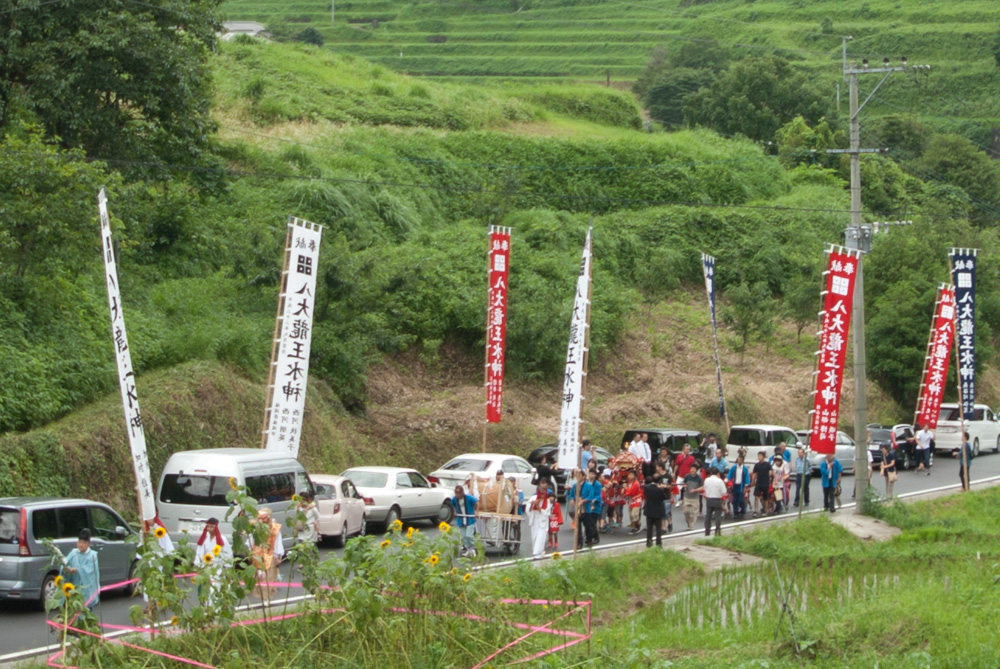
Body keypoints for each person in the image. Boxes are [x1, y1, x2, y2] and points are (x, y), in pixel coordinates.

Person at [62, 529, 100, 610]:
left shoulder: (92, 556)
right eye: (80, 542)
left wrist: (77, 570)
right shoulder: (73, 553)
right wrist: (65, 568)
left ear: (88, 544)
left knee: (86, 610)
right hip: (74, 587)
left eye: (84, 543)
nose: (81, 545)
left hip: (86, 588)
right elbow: (66, 562)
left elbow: (90, 570)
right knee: (73, 609)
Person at [251, 507, 285, 600]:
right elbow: (250, 541)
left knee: (268, 578)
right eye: (260, 518)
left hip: (270, 556)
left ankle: (267, 598)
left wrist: (279, 557)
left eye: (264, 518)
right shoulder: (255, 528)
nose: (262, 521)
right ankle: (263, 597)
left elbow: (278, 543)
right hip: (257, 556)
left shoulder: (274, 528)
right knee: (259, 577)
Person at [195, 517, 231, 604]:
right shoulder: (204, 538)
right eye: (208, 527)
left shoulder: (222, 539)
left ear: (216, 527)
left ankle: (214, 610)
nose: (209, 529)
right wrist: (198, 565)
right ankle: (204, 610)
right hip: (205, 567)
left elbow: (227, 554)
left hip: (217, 568)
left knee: (214, 590)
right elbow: (199, 551)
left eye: (211, 527)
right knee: (204, 590)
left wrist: (226, 569)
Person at [695, 467, 727, 536]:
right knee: (717, 516)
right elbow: (724, 491)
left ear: (711, 473)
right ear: (718, 473)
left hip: (709, 499)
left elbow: (705, 489)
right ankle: (717, 530)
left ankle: (707, 530)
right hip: (717, 499)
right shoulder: (720, 481)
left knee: (708, 515)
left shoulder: (707, 480)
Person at [450, 485, 478, 557]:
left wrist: (476, 512)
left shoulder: (469, 498)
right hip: (461, 519)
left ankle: (473, 547)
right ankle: (468, 549)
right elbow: (453, 505)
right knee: (464, 536)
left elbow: (476, 502)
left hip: (470, 519)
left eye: (458, 493)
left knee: (469, 535)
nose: (457, 494)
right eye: (456, 493)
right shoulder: (454, 499)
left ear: (462, 492)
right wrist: (455, 511)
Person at [577, 469, 603, 548]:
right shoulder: (586, 483)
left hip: (595, 505)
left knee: (592, 523)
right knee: (589, 523)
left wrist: (595, 499)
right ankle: (590, 538)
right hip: (586, 506)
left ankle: (595, 537)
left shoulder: (597, 484)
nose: (591, 475)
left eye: (593, 474)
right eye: (590, 474)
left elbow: (599, 494)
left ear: (595, 475)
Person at [526, 487, 553, 559]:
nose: (542, 496)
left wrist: (538, 507)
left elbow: (547, 513)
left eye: (544, 494)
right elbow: (528, 510)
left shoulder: (547, 501)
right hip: (535, 520)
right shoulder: (533, 498)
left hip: (542, 521)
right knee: (534, 536)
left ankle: (537, 552)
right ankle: (539, 552)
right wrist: (532, 505)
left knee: (540, 537)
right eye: (540, 494)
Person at [642, 476, 669, 547]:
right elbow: (664, 497)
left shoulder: (646, 488)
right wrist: (663, 488)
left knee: (649, 528)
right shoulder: (659, 489)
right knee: (658, 529)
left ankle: (649, 543)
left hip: (649, 510)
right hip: (658, 511)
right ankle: (658, 543)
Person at [750, 451, 772, 518]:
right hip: (758, 482)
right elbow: (754, 473)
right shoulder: (757, 465)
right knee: (756, 496)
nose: (759, 457)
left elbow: (771, 472)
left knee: (765, 498)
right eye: (758, 456)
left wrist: (771, 479)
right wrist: (753, 481)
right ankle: (755, 511)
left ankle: (765, 510)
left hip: (765, 482)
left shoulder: (767, 464)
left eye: (760, 456)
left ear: (763, 457)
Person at [727, 455, 750, 519]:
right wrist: (727, 479)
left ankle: (743, 509)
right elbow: (730, 474)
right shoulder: (734, 467)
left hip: (741, 485)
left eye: (740, 459)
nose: (739, 461)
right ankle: (735, 512)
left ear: (742, 460)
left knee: (741, 499)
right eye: (738, 459)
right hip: (735, 485)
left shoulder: (744, 468)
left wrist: (745, 486)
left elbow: (746, 477)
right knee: (735, 500)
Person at [681, 464, 702, 530]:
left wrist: (695, 490)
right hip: (687, 496)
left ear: (696, 470)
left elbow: (702, 487)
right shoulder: (687, 476)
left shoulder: (699, 478)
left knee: (695, 513)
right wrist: (684, 486)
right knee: (685, 511)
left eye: (694, 469)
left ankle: (691, 526)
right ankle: (689, 522)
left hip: (695, 497)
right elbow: (684, 483)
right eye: (691, 469)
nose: (692, 470)